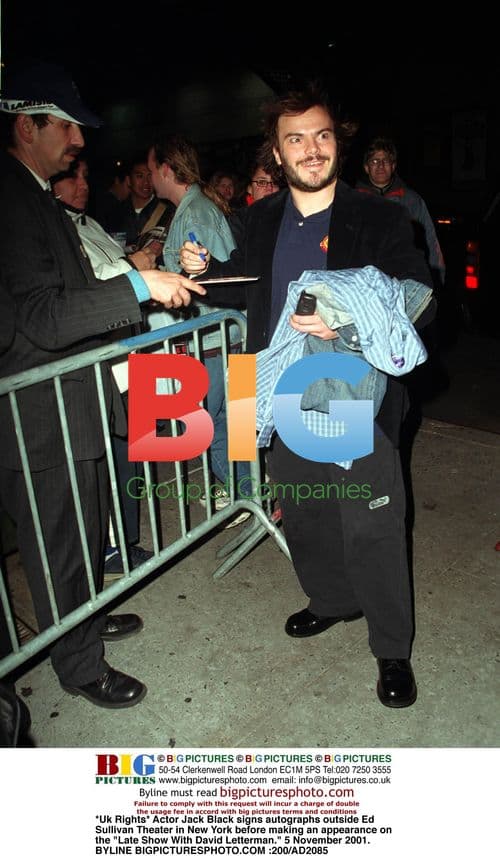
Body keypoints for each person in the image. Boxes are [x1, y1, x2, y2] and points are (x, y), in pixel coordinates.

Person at [180, 85, 435, 709]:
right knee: (308, 508)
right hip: (273, 389)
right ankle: (332, 602)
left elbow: (418, 294)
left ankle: (391, 649)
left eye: (321, 136)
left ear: (336, 144)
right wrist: (201, 272)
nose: (310, 149)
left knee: (369, 519)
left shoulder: (377, 216)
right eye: (295, 138)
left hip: (347, 387)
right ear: (277, 150)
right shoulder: (260, 217)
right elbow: (247, 288)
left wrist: (345, 317)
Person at [0, 59, 205, 710]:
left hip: (70, 399)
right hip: (37, 413)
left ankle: (81, 619)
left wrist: (135, 275)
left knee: (87, 527)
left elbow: (75, 292)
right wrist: (141, 284)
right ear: (27, 125)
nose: (81, 141)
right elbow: (40, 314)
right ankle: (79, 661)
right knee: (59, 536)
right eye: (67, 128)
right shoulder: (9, 198)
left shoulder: (35, 195)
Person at [51, 155, 156, 575]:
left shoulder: (87, 222)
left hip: (122, 358)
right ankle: (111, 548)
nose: (83, 185)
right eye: (71, 178)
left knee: (125, 454)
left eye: (84, 176)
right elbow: (87, 286)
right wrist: (135, 266)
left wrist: (132, 259)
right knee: (105, 461)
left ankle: (125, 540)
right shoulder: (53, 227)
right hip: (94, 365)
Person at [147, 134, 251, 526]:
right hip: (222, 338)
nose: (150, 177)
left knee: (202, 427)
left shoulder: (195, 215)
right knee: (227, 426)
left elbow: (215, 281)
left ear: (168, 169)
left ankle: (251, 496)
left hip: (213, 341)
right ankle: (251, 495)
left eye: (153, 168)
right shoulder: (196, 209)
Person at [356, 136, 445, 288]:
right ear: (366, 167)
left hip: (404, 282)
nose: (380, 165)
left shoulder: (412, 201)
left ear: (393, 166)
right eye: (374, 161)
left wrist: (436, 281)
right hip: (365, 286)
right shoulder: (354, 200)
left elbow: (431, 243)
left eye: (385, 160)